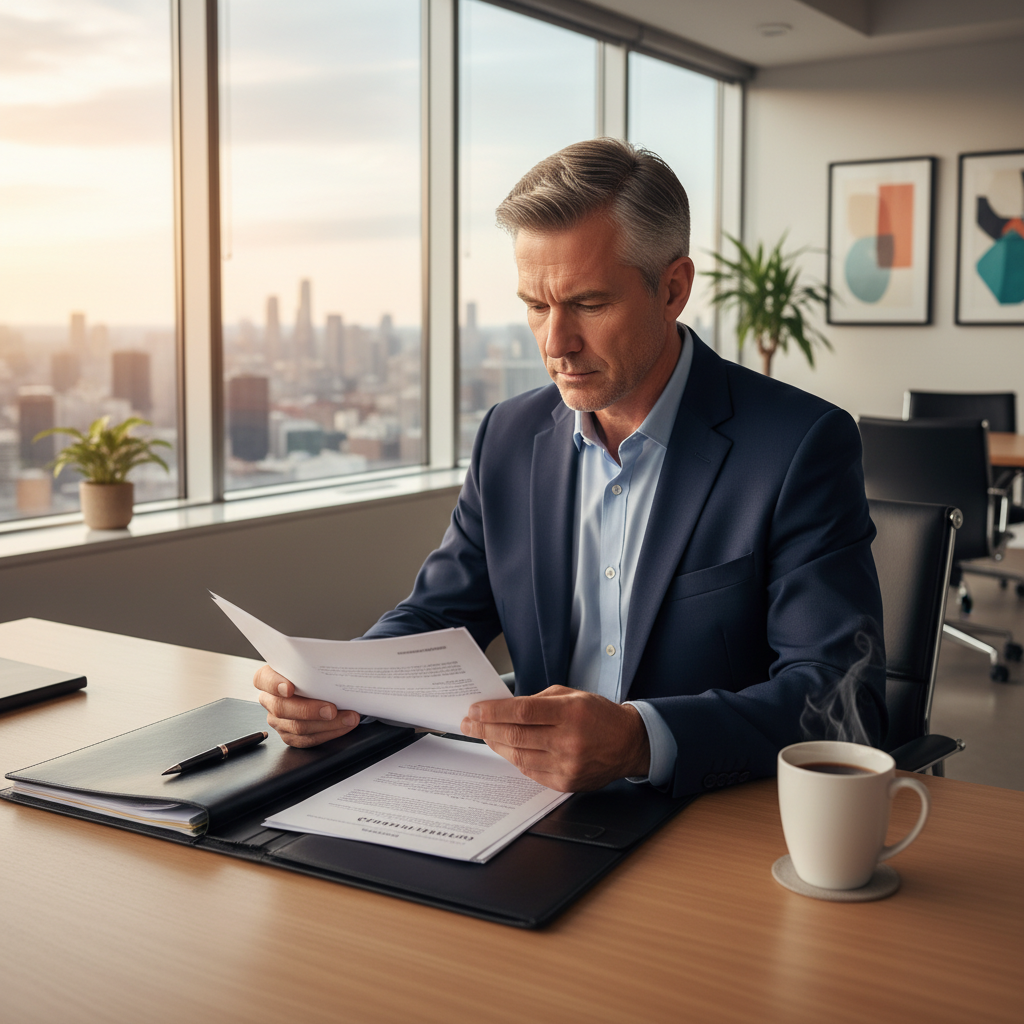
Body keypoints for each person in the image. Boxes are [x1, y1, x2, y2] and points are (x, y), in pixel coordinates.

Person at [253, 138, 886, 798]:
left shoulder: (799, 445)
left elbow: (841, 697)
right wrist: (333, 685)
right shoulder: (509, 434)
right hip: (528, 809)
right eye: (535, 305)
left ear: (673, 289)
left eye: (587, 304)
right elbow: (439, 616)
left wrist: (641, 740)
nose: (555, 344)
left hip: (707, 816)